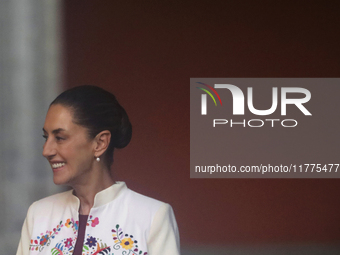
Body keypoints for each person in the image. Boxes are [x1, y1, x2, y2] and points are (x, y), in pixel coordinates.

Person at [16, 85, 180, 255]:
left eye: (60, 138)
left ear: (100, 143)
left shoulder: (152, 217)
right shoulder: (39, 214)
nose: (46, 150)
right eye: (46, 137)